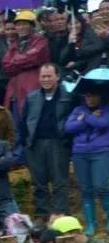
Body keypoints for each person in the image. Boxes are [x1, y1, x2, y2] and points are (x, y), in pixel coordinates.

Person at [19, 64, 75, 222]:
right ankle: (43, 215)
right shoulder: (32, 97)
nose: (46, 79)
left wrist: (66, 139)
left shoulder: (68, 95)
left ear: (57, 76)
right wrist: (25, 143)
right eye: (43, 76)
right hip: (35, 144)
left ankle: (61, 215)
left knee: (59, 182)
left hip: (58, 143)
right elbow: (24, 121)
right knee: (39, 183)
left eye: (49, 76)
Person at [63, 88, 109, 236]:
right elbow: (69, 127)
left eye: (93, 95)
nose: (89, 98)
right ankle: (90, 223)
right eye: (87, 95)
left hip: (100, 151)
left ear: (99, 96)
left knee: (101, 186)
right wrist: (89, 118)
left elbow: (102, 124)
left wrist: (85, 118)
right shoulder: (78, 109)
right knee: (86, 189)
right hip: (80, 153)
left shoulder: (106, 109)